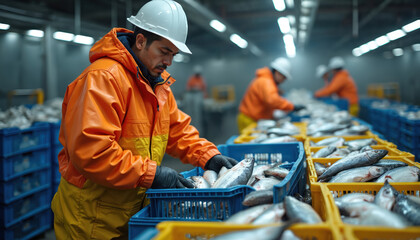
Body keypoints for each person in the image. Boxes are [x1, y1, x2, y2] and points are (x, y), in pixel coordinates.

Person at [50, 1, 237, 239]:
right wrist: (151, 174)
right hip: (91, 217)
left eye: (173, 55)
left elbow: (177, 131)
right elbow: (92, 151)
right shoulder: (103, 78)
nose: (169, 62)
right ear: (140, 41)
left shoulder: (158, 84)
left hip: (134, 210)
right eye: (164, 51)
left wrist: (207, 156)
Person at [237, 57, 304, 133]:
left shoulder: (265, 80)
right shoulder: (267, 81)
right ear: (278, 73)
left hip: (251, 117)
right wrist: (292, 106)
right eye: (284, 77)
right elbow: (272, 100)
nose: (283, 80)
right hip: (249, 119)